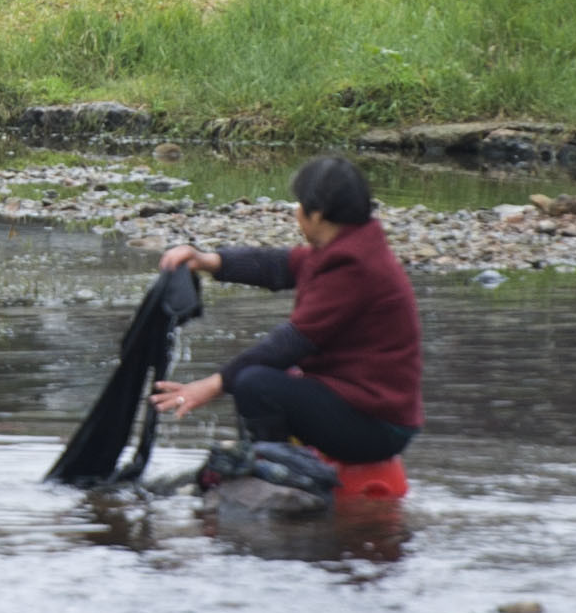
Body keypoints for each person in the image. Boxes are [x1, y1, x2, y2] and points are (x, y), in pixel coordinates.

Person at [151, 154, 422, 476]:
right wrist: (208, 260)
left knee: (255, 384)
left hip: (378, 428)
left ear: (317, 214)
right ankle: (277, 468)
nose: (296, 213)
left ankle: (280, 478)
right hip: (370, 413)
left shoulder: (354, 267)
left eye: (299, 205)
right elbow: (279, 265)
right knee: (259, 378)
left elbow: (291, 342)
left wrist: (212, 384)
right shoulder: (352, 249)